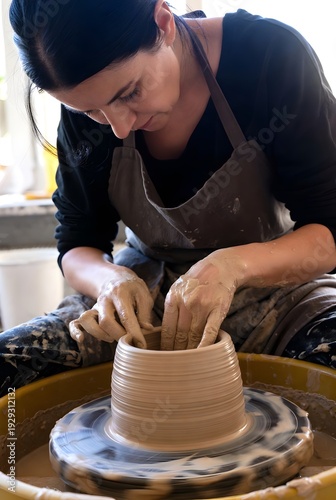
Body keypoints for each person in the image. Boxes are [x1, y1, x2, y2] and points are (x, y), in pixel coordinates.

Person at [1, 0, 336, 398]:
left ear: (163, 23)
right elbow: (77, 244)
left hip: (280, 297)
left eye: (130, 93)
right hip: (146, 304)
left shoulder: (269, 55)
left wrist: (231, 267)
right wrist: (110, 280)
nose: (119, 127)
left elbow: (328, 232)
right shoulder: (89, 102)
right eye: (92, 111)